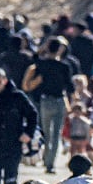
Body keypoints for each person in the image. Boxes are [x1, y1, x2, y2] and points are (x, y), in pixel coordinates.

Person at [26, 37, 75, 174]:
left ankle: (46, 159)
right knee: (56, 134)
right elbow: (70, 87)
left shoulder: (43, 64)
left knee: (46, 132)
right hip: (59, 101)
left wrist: (43, 47)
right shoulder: (65, 66)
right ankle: (50, 164)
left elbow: (34, 57)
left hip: (45, 101)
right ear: (60, 49)